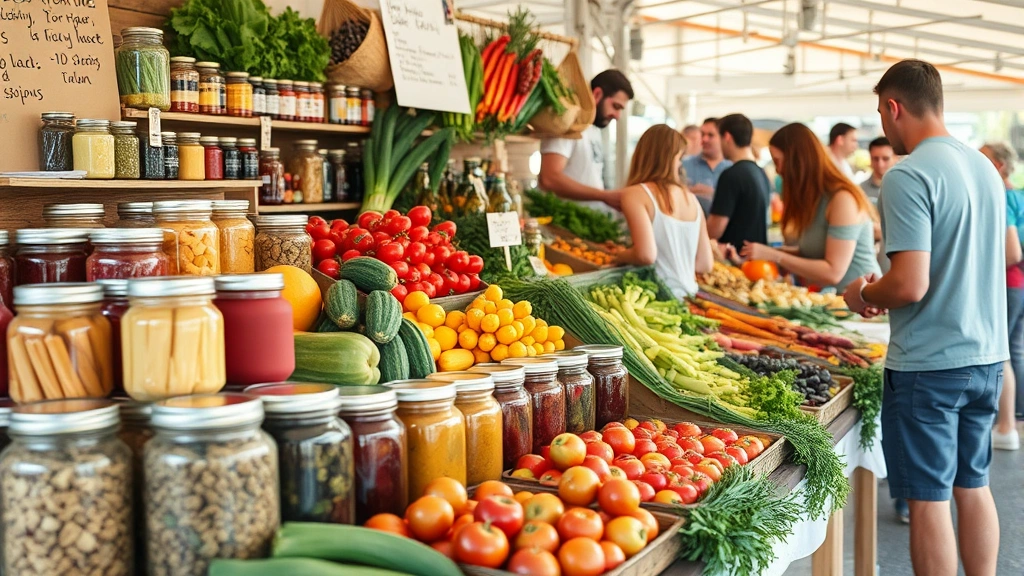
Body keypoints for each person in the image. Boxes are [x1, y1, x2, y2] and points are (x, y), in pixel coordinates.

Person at [843, 59, 1006, 576]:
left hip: (929, 368)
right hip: (988, 359)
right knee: (973, 485)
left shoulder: (907, 174)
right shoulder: (984, 167)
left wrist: (864, 292)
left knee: (929, 499)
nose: (883, 126)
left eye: (881, 113)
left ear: (894, 108)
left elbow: (910, 284)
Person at [739, 123, 880, 291]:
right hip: (830, 301)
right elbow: (811, 254)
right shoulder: (814, 199)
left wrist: (775, 255)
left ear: (798, 160)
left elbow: (833, 272)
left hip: (861, 308)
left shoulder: (842, 199)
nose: (778, 170)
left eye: (778, 161)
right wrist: (761, 253)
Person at [615, 125, 713, 297]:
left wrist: (618, 255)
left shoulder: (635, 194)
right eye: (680, 158)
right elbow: (705, 264)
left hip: (654, 296)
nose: (681, 164)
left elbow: (646, 255)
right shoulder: (692, 199)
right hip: (688, 296)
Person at [538, 70, 633, 213]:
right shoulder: (568, 123)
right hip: (563, 225)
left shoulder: (593, 128)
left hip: (588, 223)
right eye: (616, 106)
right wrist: (603, 196)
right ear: (597, 94)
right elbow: (549, 178)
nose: (618, 116)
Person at [980, 142, 1024, 450]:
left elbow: (1011, 251)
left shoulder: (1003, 197)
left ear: (997, 166)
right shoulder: (1019, 195)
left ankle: (1006, 425)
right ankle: (1016, 418)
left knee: (1003, 353)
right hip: (1020, 285)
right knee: (1016, 350)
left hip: (1007, 283)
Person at [707, 114, 770, 252]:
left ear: (727, 137)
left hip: (734, 260)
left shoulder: (731, 175)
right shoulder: (761, 173)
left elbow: (714, 230)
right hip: (758, 260)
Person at [682, 118, 733, 215]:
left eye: (710, 135)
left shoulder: (732, 168)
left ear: (723, 137)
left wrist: (716, 195)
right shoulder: (684, 165)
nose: (705, 139)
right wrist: (688, 192)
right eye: (702, 134)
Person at [859, 137, 894, 204]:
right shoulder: (860, 191)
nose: (880, 164)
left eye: (885, 159)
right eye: (875, 159)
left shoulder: (903, 188)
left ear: (896, 158)